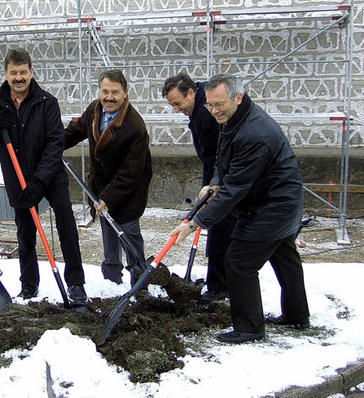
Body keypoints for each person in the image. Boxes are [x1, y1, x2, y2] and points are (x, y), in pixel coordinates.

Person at [170, 73, 310, 344]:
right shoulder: (237, 118)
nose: (213, 110)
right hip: (282, 201)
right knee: (285, 258)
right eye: (209, 105)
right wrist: (214, 183)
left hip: (273, 206)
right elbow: (227, 164)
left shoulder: (254, 133)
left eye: (219, 104)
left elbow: (235, 189)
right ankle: (296, 314)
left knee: (238, 262)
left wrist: (194, 222)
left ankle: (249, 328)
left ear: (238, 97)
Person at [0, 48, 87, 304]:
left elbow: (55, 144)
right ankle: (28, 285)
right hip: (17, 175)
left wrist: (39, 181)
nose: (19, 77)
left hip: (49, 175)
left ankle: (76, 282)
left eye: (23, 72)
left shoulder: (47, 102)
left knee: (65, 221)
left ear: (31, 72)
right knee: (25, 231)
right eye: (13, 72)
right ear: (5, 74)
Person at [65, 69, 152, 285]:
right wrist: (51, 144)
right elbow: (75, 131)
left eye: (115, 92)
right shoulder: (95, 110)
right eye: (105, 91)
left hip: (127, 193)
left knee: (129, 235)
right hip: (102, 189)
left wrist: (108, 198)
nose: (109, 97)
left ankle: (139, 282)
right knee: (109, 235)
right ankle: (111, 282)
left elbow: (130, 173)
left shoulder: (135, 127)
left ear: (125, 94)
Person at [162, 72, 237, 302]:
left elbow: (216, 155)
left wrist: (211, 186)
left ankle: (218, 287)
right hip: (216, 175)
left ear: (192, 92)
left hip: (224, 178)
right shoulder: (200, 107)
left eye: (178, 103)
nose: (176, 109)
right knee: (218, 231)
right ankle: (219, 281)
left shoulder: (206, 114)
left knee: (219, 231)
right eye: (172, 105)